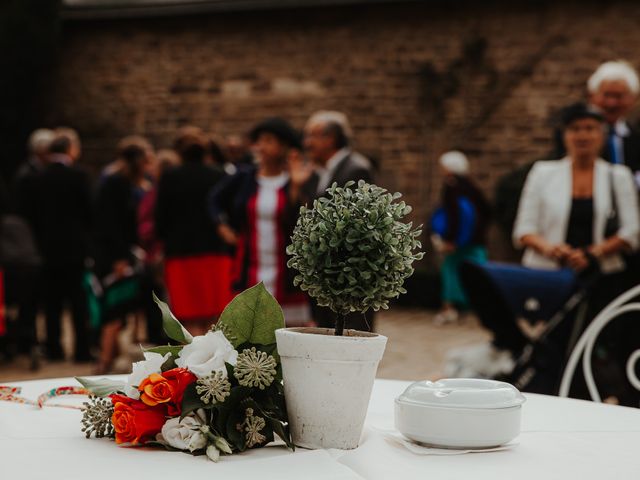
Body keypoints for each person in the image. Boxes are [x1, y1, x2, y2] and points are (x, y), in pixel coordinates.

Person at [458, 103, 640, 399]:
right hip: (551, 276)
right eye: (576, 129)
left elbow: (631, 231)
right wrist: (553, 249)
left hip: (600, 277)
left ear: (602, 135)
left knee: (591, 347)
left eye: (590, 129)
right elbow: (524, 229)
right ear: (565, 135)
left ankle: (585, 396)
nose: (583, 135)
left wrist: (594, 253)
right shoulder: (544, 173)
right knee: (552, 345)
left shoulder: (616, 176)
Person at [209, 117, 312, 327]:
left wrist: (295, 186)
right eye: (260, 141)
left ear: (284, 147)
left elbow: (300, 219)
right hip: (250, 265)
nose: (262, 147)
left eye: (269, 141)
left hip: (285, 269)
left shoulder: (296, 179)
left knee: (288, 331)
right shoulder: (245, 177)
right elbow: (214, 199)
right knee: (248, 327)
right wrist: (221, 226)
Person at [301, 110, 375, 331]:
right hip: (327, 274)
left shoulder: (356, 169)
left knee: (349, 337)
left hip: (348, 278)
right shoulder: (320, 172)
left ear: (329, 138)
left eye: (311, 136)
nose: (307, 143)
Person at [155, 127, 230, 336]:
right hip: (215, 251)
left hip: (180, 254)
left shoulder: (169, 177)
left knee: (188, 318)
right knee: (215, 316)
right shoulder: (219, 174)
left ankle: (193, 365)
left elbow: (161, 219)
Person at [26, 128, 93, 362]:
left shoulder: (37, 178)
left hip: (46, 248)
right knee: (78, 301)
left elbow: (31, 214)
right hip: (75, 248)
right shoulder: (79, 176)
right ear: (70, 149)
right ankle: (81, 350)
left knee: (52, 302)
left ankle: (54, 349)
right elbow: (89, 212)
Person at [94, 136, 153, 373]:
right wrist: (119, 258)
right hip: (112, 255)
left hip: (124, 254)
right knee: (114, 309)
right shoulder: (114, 183)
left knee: (122, 307)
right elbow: (110, 224)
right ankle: (104, 362)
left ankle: (112, 355)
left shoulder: (131, 182)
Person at [432, 151, 491, 325]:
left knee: (450, 272)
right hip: (476, 242)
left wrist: (450, 239)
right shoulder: (473, 188)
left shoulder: (451, 187)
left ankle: (448, 309)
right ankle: (479, 310)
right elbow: (487, 212)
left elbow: (454, 215)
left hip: (457, 242)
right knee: (478, 275)